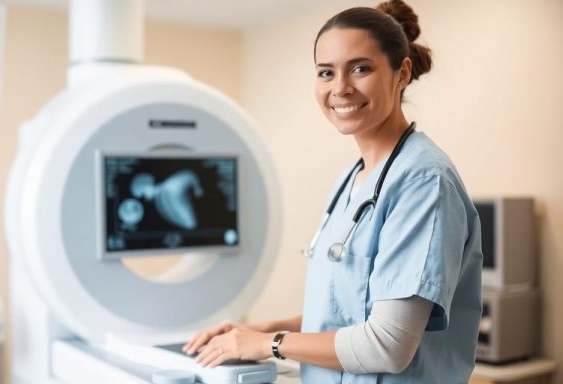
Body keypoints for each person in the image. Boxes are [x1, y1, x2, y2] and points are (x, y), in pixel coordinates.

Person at [182, 1, 483, 382]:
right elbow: (345, 314)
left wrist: (269, 343)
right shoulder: (352, 179)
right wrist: (254, 331)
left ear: (401, 72)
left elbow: (387, 345)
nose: (340, 88)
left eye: (360, 68)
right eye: (326, 72)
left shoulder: (423, 181)